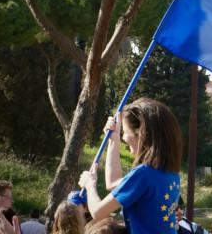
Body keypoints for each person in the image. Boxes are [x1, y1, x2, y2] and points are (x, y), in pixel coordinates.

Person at [78, 98, 183, 234]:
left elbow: (98, 212)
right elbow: (113, 184)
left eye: (125, 131)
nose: (124, 138)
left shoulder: (143, 174)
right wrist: (114, 138)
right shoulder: (170, 174)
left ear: (141, 134)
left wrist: (90, 185)